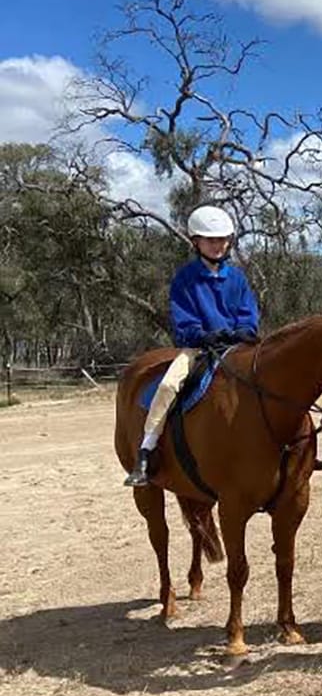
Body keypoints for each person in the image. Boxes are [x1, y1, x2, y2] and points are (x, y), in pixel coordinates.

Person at [124, 205, 259, 486]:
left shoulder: (237, 278)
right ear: (196, 242)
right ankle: (147, 450)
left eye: (223, 239)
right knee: (167, 386)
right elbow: (183, 318)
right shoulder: (185, 278)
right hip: (200, 349)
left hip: (238, 347)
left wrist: (245, 331)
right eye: (211, 240)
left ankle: (290, 450)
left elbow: (248, 312)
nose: (218, 245)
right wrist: (202, 335)